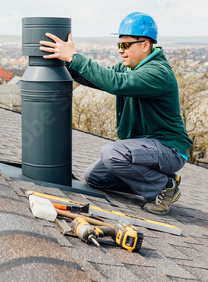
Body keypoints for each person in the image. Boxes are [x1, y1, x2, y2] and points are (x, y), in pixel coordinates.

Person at [39, 12, 193, 215]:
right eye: (119, 45)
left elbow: (116, 83)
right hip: (146, 148)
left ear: (145, 45)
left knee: (113, 153)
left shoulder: (157, 72)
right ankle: (162, 180)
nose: (121, 51)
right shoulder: (130, 68)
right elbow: (101, 78)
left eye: (125, 45)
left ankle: (163, 188)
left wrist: (76, 58)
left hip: (169, 149)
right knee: (95, 177)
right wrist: (68, 63)